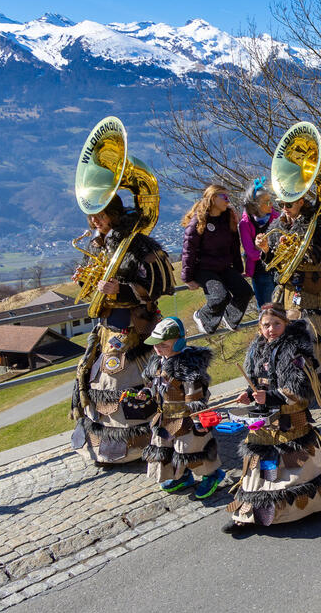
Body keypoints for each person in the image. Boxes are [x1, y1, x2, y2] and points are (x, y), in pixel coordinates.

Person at [70, 195, 175, 465]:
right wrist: (86, 279)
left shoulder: (139, 244)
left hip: (134, 327)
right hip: (107, 326)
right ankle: (107, 445)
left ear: (115, 214)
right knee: (98, 378)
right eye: (92, 216)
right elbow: (99, 279)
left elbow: (158, 285)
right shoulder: (99, 243)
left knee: (125, 381)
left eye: (101, 215)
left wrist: (122, 289)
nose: (95, 221)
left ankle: (145, 443)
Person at [222, 304, 321, 534]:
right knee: (258, 464)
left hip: (291, 418)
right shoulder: (256, 349)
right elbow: (257, 383)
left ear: (285, 325)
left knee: (296, 463)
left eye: (277, 324)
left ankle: (313, 506)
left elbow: (298, 390)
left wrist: (268, 396)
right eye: (266, 325)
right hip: (264, 420)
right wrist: (249, 394)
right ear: (259, 327)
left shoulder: (296, 351)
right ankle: (245, 515)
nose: (271, 329)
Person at [256, 192, 321, 385]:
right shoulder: (277, 225)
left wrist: (295, 249)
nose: (284, 209)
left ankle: (314, 374)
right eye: (280, 204)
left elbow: (318, 256)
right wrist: (265, 250)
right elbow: (273, 263)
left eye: (288, 204)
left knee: (310, 330)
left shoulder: (317, 224)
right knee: (280, 328)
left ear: (301, 202)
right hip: (285, 288)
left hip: (308, 287)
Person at [140, 317, 225, 499]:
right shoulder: (157, 362)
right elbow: (152, 384)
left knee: (192, 449)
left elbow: (194, 395)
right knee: (167, 449)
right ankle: (182, 476)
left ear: (178, 342)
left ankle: (212, 475)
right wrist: (147, 392)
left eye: (164, 344)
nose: (158, 348)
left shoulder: (187, 365)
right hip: (165, 418)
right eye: (156, 345)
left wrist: (197, 420)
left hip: (187, 418)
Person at [183, 184, 253, 335]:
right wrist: (187, 278)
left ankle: (229, 319)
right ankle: (202, 316)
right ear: (214, 198)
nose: (228, 201)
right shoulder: (198, 221)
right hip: (203, 269)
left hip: (224, 267)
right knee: (220, 297)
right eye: (225, 197)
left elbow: (234, 246)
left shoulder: (228, 218)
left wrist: (238, 270)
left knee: (245, 292)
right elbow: (189, 250)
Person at [239, 177, 279, 309]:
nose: (271, 204)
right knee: (267, 307)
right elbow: (251, 253)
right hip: (260, 271)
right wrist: (265, 248)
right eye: (266, 202)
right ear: (255, 205)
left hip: (278, 268)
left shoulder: (276, 217)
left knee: (281, 305)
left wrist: (262, 248)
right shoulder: (245, 224)